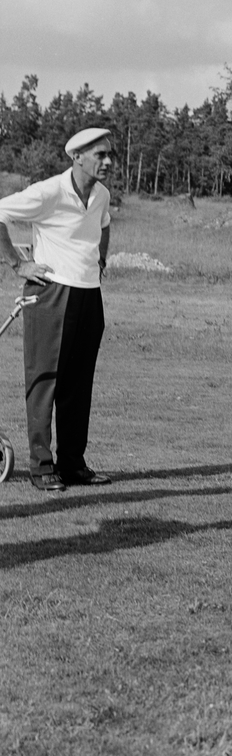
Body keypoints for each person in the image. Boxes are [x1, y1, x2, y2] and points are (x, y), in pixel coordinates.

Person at [0, 128, 114, 491]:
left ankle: (72, 464)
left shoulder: (102, 195)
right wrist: (18, 265)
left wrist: (100, 260)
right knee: (45, 381)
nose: (108, 162)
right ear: (77, 157)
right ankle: (41, 466)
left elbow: (104, 225)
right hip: (50, 294)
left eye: (110, 155)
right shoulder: (49, 191)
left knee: (78, 386)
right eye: (100, 155)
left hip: (88, 296)